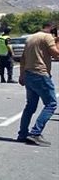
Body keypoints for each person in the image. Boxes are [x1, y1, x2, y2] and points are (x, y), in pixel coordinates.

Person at [16, 18, 59, 147]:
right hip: (41, 74)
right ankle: (35, 133)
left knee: (30, 106)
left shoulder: (31, 38)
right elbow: (56, 54)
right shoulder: (47, 37)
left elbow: (23, 58)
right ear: (52, 29)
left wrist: (22, 75)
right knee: (51, 104)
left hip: (29, 74)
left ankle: (22, 134)